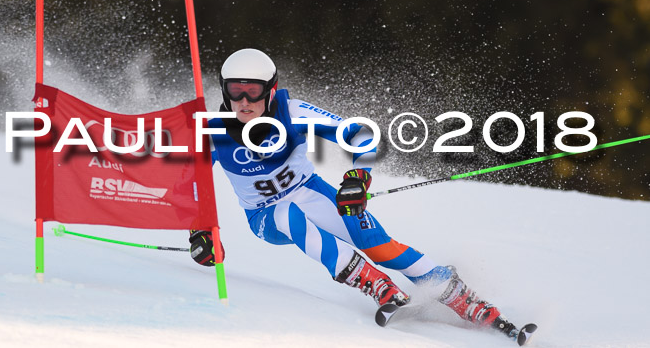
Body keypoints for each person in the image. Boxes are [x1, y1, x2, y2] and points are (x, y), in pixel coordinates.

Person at [188, 48, 528, 342]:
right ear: (224, 90)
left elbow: (361, 135)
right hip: (264, 216)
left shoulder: (293, 113)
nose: (244, 102)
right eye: (235, 91)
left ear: (271, 90)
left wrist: (357, 176)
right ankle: (377, 285)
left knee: (376, 243)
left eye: (253, 91)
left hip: (311, 193)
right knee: (289, 216)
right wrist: (198, 230)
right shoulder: (214, 132)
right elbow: (188, 181)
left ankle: (462, 297)